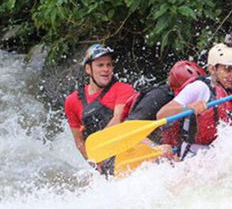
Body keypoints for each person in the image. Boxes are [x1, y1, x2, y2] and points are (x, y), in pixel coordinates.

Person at [64, 44, 136, 174]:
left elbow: (117, 120)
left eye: (109, 65)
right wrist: (95, 163)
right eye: (100, 65)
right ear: (88, 69)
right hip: (103, 162)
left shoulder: (123, 89)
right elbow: (79, 141)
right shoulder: (72, 101)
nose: (106, 69)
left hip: (126, 151)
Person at [125, 60, 206, 158]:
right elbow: (128, 129)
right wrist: (154, 147)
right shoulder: (159, 96)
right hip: (133, 149)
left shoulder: (186, 102)